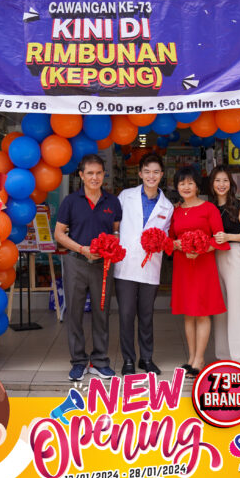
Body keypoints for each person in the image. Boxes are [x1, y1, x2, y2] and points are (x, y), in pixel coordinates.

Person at [54, 154, 122, 381]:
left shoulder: (112, 202)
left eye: (99, 173)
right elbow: (59, 234)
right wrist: (82, 249)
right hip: (76, 261)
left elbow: (116, 230)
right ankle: (78, 362)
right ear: (81, 175)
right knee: (74, 313)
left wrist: (112, 244)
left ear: (104, 175)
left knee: (102, 312)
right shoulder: (71, 201)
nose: (95, 177)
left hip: (103, 265)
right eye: (90, 173)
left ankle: (100, 361)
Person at [114, 153, 174, 376]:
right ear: (140, 173)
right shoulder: (125, 196)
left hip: (150, 267)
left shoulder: (167, 206)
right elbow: (115, 225)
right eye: (147, 171)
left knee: (146, 315)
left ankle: (146, 358)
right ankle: (128, 360)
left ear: (162, 175)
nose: (151, 176)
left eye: (156, 172)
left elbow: (165, 237)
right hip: (126, 265)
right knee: (126, 314)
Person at [170, 166, 229, 378]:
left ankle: (200, 359)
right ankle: (191, 358)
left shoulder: (209, 209)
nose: (186, 187)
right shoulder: (176, 211)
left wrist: (201, 248)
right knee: (188, 313)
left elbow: (219, 238)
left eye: (190, 183)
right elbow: (170, 239)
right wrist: (176, 244)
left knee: (202, 312)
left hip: (203, 265)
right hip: (183, 265)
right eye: (182, 183)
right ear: (177, 187)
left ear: (197, 186)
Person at [209, 165, 240, 368]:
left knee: (237, 308)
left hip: (233, 255)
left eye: (225, 180)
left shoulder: (238, 207)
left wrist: (229, 237)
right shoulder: (209, 207)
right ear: (212, 184)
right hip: (212, 257)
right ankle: (223, 356)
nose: (221, 184)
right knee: (219, 309)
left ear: (231, 183)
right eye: (217, 180)